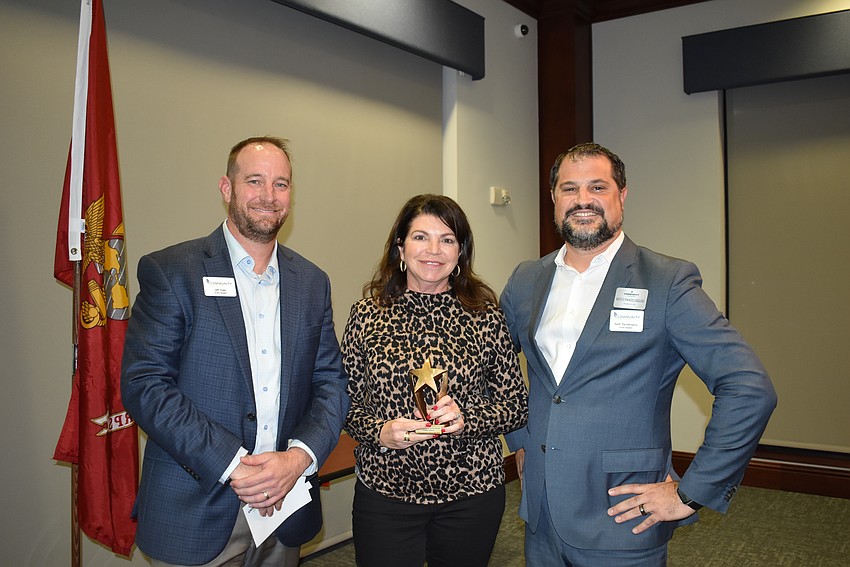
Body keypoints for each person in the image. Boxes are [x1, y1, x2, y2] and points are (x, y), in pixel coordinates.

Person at [501, 143, 777, 566]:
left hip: (623, 516)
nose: (582, 200)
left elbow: (748, 387)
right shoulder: (527, 279)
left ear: (622, 195)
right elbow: (497, 366)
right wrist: (520, 441)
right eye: (569, 189)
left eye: (597, 186)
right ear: (554, 199)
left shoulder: (667, 281)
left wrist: (691, 492)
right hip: (540, 512)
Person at [121, 136, 350, 567]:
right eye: (255, 181)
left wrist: (298, 458)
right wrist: (233, 463)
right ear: (227, 188)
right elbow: (145, 385)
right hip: (197, 506)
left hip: (286, 505)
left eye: (280, 184)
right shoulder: (173, 271)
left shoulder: (312, 282)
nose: (268, 196)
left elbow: (330, 384)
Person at [341, 194, 528, 567]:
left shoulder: (485, 316)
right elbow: (344, 402)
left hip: (471, 495)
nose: (434, 250)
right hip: (386, 493)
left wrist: (466, 420)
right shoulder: (367, 314)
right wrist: (380, 431)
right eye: (420, 237)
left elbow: (516, 406)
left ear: (460, 252)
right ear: (400, 247)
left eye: (447, 239)